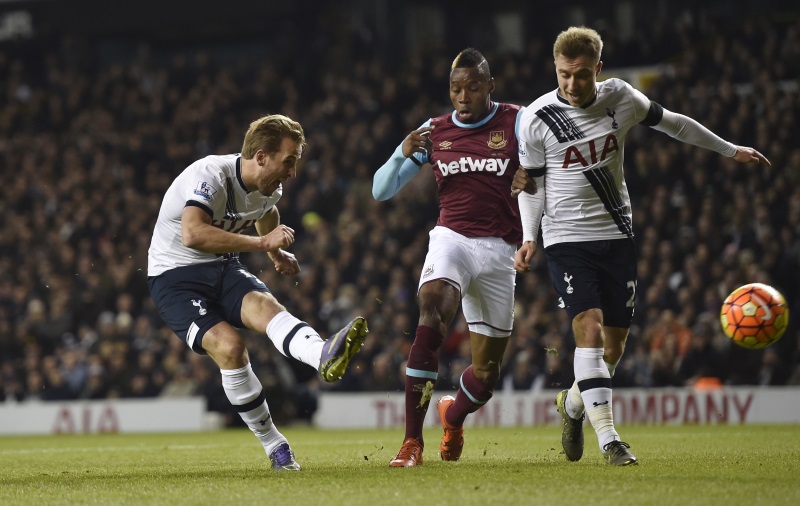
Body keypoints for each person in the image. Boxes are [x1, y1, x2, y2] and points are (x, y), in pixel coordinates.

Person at [512, 26, 770, 465]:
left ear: (598, 68)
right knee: (588, 332)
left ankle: (572, 406)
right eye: (563, 75)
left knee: (612, 351)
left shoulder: (622, 98)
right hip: (566, 239)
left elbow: (677, 126)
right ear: (554, 70)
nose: (571, 85)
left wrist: (730, 151)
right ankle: (610, 440)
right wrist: (529, 237)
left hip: (617, 235)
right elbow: (532, 185)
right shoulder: (537, 118)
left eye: (580, 75)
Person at [147, 114, 369, 471]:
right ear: (261, 156)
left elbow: (267, 210)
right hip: (174, 277)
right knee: (231, 348)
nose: (292, 172)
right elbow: (192, 233)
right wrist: (263, 242)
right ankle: (274, 444)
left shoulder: (270, 188)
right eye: (289, 161)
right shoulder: (211, 175)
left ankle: (323, 355)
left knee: (267, 309)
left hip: (222, 266)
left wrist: (275, 252)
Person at [372, 48, 523, 467]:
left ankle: (453, 417)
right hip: (451, 238)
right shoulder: (433, 131)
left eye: (473, 87)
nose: (463, 96)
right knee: (432, 306)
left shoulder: (518, 121)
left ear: (489, 86)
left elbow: (546, 166)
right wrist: (402, 153)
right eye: (456, 88)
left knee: (486, 375)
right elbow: (380, 190)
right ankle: (411, 443)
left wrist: (534, 175)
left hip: (499, 251)